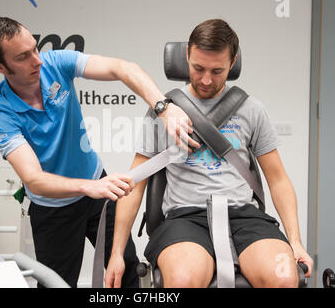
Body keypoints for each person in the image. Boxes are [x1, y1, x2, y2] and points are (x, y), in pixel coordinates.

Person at [0, 17, 200, 288]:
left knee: (127, 270)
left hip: (97, 194)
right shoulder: (0, 114)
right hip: (53, 210)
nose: (37, 60)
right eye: (23, 57)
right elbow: (33, 179)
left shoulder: (55, 63)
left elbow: (122, 69)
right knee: (56, 284)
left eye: (35, 48)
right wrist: (89, 187)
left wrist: (164, 107)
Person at [105, 19, 314, 288]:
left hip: (244, 216)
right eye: (198, 68)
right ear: (187, 55)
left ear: (233, 62)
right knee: (182, 281)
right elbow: (135, 184)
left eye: (217, 71)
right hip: (186, 217)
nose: (206, 80)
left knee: (285, 278)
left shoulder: (252, 110)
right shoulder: (163, 112)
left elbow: (278, 179)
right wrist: (117, 254)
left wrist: (295, 242)